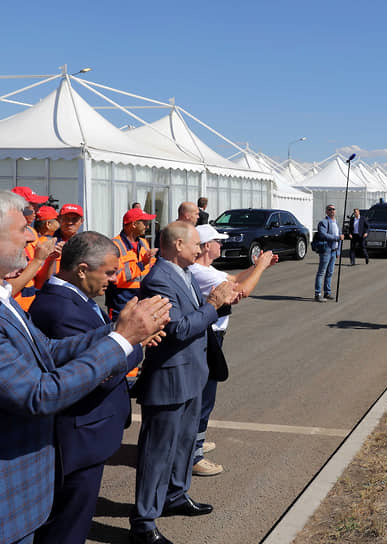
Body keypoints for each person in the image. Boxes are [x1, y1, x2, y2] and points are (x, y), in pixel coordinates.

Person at [0, 190, 170, 544]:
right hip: (14, 489)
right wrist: (123, 340)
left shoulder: (5, 298)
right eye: (22, 229)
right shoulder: (47, 303)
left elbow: (48, 350)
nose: (32, 237)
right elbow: (39, 394)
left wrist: (119, 332)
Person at [30, 232, 147, 544]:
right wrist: (134, 343)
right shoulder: (61, 310)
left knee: (75, 521)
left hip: (88, 432)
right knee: (67, 527)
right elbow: (95, 374)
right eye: (108, 272)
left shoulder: (77, 300)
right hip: (78, 437)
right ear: (82, 270)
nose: (114, 279)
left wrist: (128, 338)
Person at [130, 221, 238, 544]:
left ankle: (175, 495)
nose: (200, 249)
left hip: (193, 372)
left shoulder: (186, 273)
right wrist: (213, 305)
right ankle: (144, 521)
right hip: (170, 378)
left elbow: (197, 313)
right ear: (177, 245)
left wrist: (222, 302)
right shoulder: (159, 279)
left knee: (185, 442)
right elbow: (177, 329)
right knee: (157, 451)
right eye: (195, 244)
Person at [188, 224, 278, 477]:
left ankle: (196, 442)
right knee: (204, 397)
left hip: (213, 335)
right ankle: (194, 455)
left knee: (206, 395)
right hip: (209, 337)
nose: (222, 244)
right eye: (218, 241)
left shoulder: (206, 269)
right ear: (207, 246)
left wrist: (257, 266)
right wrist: (260, 267)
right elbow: (242, 290)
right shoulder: (201, 272)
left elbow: (235, 280)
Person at [106, 208, 158, 320]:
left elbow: (149, 267)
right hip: (121, 298)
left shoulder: (143, 242)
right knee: (119, 329)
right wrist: (142, 264)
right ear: (134, 224)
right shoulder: (114, 245)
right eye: (144, 223)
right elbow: (116, 277)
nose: (147, 226)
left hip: (142, 296)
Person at [34, 203, 83, 288]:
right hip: (51, 289)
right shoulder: (46, 242)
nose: (70, 222)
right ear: (59, 219)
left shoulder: (85, 244)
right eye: (66, 219)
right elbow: (39, 280)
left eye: (74, 219)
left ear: (81, 221)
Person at [314, 204, 343, 302]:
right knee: (321, 272)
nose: (332, 211)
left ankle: (327, 292)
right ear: (326, 211)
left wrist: (338, 251)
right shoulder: (323, 222)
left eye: (333, 209)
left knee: (330, 272)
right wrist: (337, 238)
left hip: (334, 251)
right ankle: (318, 294)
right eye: (330, 209)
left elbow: (340, 237)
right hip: (326, 250)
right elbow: (323, 235)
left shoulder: (336, 223)